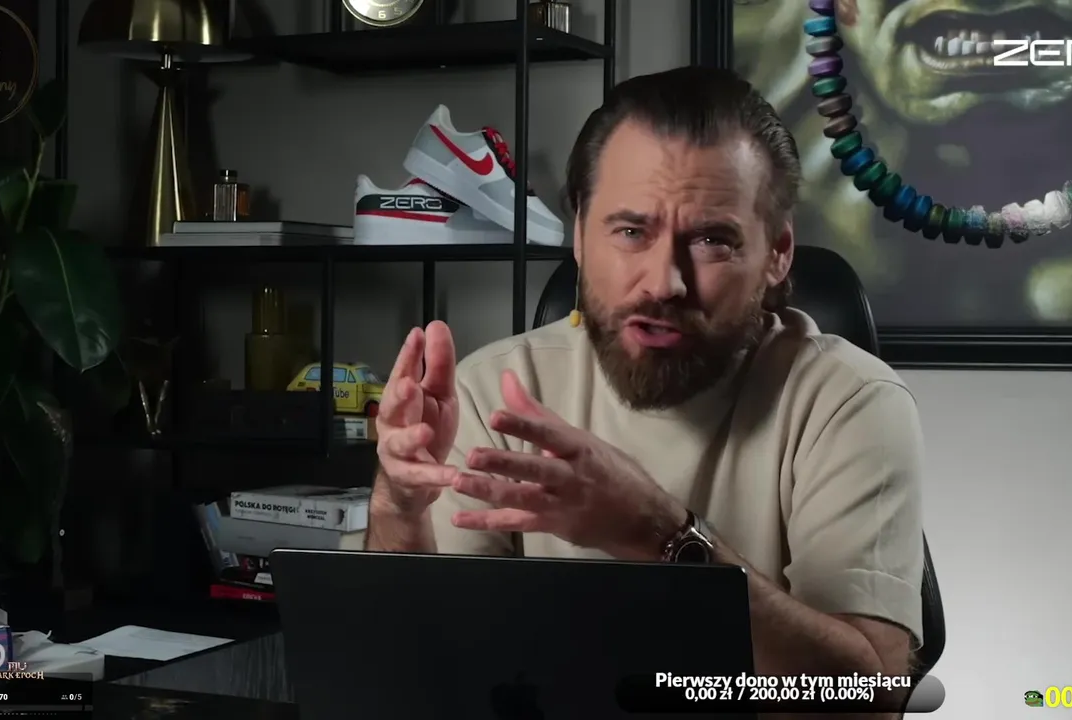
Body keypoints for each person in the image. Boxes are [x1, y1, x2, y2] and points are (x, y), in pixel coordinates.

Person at [365, 66, 925, 705]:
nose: (663, 282)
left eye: (712, 240)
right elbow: (415, 677)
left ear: (777, 253)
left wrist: (662, 535)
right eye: (631, 231)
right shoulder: (490, 390)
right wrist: (397, 509)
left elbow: (869, 698)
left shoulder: (849, 402)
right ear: (580, 235)